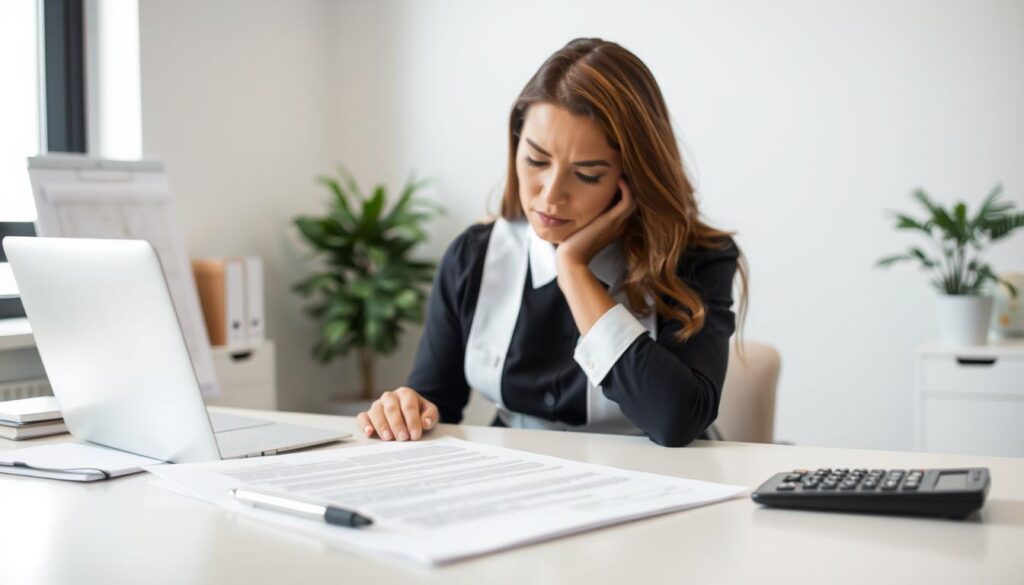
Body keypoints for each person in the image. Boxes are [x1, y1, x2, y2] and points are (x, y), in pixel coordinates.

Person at [356, 37, 748, 447]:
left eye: (588, 174)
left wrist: (574, 271)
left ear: (630, 177)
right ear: (515, 145)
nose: (550, 195)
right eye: (536, 160)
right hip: (516, 486)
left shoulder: (697, 259)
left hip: (666, 483)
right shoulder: (474, 256)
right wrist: (407, 407)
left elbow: (675, 420)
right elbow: (437, 400)